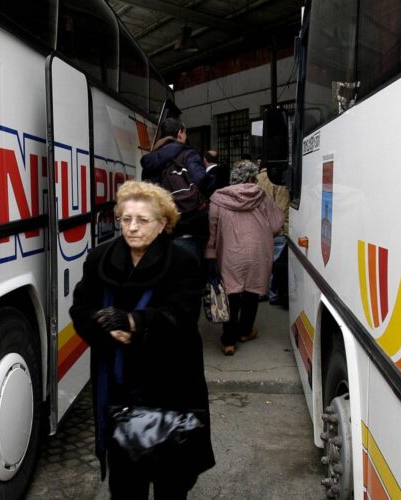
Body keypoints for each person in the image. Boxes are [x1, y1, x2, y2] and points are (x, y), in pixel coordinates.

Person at [69, 180, 215, 499]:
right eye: (126, 219)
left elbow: (182, 314)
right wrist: (103, 324)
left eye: (142, 220)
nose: (132, 227)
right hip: (119, 389)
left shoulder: (183, 261)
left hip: (171, 386)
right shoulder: (99, 259)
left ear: (162, 224)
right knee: (125, 483)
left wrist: (135, 322)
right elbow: (80, 308)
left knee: (171, 482)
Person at [205, 160, 283, 355]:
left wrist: (210, 254)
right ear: (251, 178)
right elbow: (276, 224)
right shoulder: (261, 196)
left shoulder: (218, 199)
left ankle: (228, 341)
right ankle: (245, 331)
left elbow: (211, 231)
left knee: (231, 294)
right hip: (257, 251)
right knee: (251, 292)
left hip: (229, 254)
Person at [140, 117, 208, 262]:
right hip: (187, 225)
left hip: (159, 227)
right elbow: (202, 180)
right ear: (180, 133)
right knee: (188, 268)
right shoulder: (188, 153)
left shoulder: (150, 160)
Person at [256, 156, 290, 306]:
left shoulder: (255, 180)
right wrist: (283, 227)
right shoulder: (278, 181)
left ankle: (260, 291)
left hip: (258, 228)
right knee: (275, 263)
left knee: (261, 261)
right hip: (277, 230)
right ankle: (273, 294)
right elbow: (282, 207)